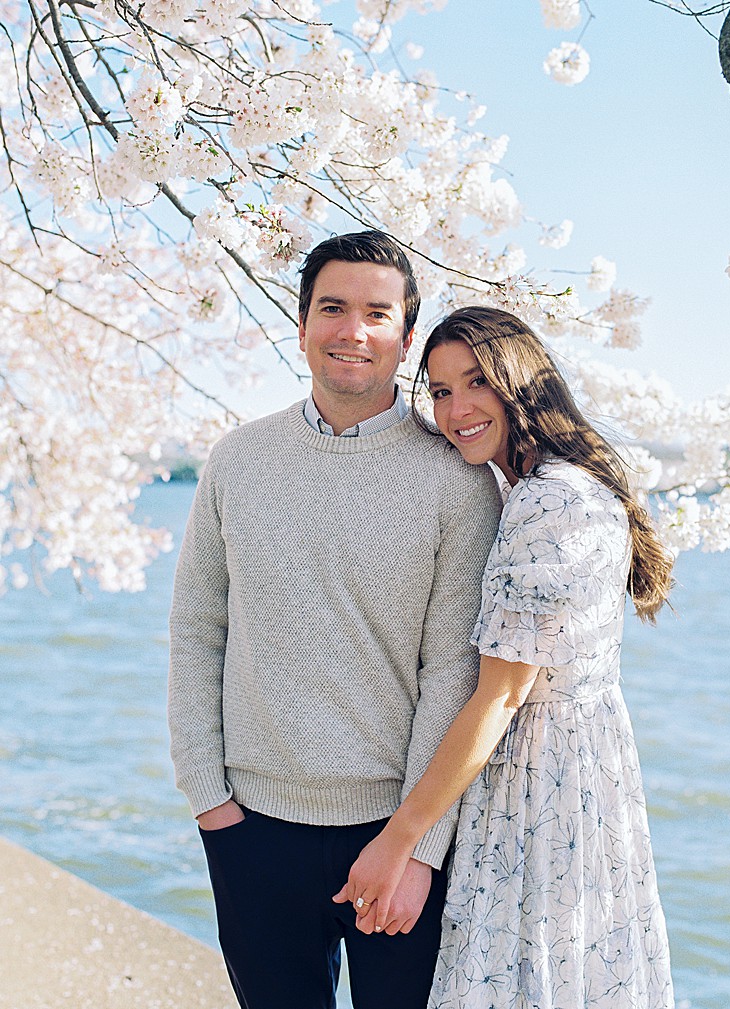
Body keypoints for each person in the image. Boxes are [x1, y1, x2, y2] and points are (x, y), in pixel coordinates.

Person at [167, 233, 502, 1009]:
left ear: (406, 338)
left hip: (393, 831)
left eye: (377, 313)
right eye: (333, 308)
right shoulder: (236, 460)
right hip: (250, 825)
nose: (353, 330)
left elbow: (452, 670)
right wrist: (207, 798)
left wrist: (417, 847)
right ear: (303, 322)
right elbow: (196, 628)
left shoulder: (457, 478)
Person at [336, 306, 675, 1008]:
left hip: (540, 787)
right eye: (438, 391)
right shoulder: (559, 484)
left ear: (520, 381)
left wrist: (398, 840)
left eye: (475, 383)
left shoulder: (546, 503)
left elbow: (499, 696)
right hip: (581, 774)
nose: (456, 409)